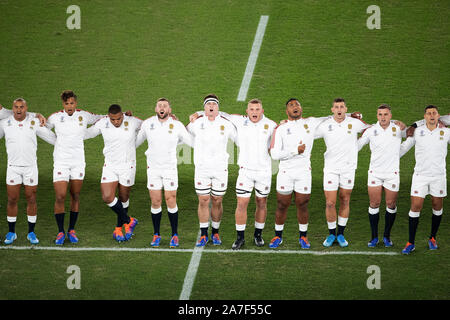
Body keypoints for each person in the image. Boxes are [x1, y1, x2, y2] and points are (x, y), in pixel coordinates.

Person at [269, 98, 361, 249]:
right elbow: (274, 154)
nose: (295, 107)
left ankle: (303, 237)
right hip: (285, 172)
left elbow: (330, 117)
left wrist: (351, 115)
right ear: (287, 111)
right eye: (291, 105)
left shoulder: (311, 123)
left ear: (301, 108)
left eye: (297, 104)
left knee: (303, 204)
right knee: (281, 205)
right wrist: (295, 151)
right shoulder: (281, 128)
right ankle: (278, 236)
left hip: (304, 172)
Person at [190, 98, 277, 249]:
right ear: (247, 111)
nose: (254, 112)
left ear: (262, 111)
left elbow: (279, 138)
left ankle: (258, 235)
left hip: (264, 171)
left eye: (257, 109)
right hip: (245, 171)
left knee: (262, 203)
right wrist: (198, 113)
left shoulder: (272, 125)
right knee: (241, 203)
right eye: (251, 109)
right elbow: (219, 113)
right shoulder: (238, 120)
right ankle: (240, 238)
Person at [47, 90, 104, 245]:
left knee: (76, 195)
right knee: (60, 196)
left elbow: (102, 118)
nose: (69, 106)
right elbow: (43, 126)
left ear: (76, 103)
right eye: (67, 103)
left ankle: (71, 230)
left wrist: (124, 114)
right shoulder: (55, 117)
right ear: (63, 104)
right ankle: (60, 231)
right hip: (61, 161)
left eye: (72, 103)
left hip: (78, 161)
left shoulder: (84, 115)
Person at [136, 98, 192, 248]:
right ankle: (156, 234)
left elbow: (191, 142)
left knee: (170, 200)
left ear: (169, 109)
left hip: (170, 168)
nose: (162, 108)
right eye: (159, 105)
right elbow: (136, 142)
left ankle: (174, 235)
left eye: (165, 106)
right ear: (156, 109)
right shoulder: (148, 124)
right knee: (155, 202)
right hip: (153, 169)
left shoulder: (177, 125)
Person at [315, 98, 371, 248]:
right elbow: (308, 134)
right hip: (331, 169)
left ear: (346, 109)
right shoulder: (325, 125)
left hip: (348, 168)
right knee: (330, 202)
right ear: (332, 110)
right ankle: (331, 233)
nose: (339, 109)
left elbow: (371, 130)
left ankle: (340, 234)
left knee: (345, 200)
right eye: (336, 107)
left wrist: (357, 146)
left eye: (341, 107)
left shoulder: (355, 123)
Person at [0, 98, 56, 244]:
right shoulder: (5, 123)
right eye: (16, 107)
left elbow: (51, 137)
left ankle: (31, 232)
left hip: (31, 168)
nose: (19, 110)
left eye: (21, 107)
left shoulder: (34, 122)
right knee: (12, 199)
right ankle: (12, 232)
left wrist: (65, 144)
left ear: (26, 108)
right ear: (12, 108)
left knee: (31, 199)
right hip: (13, 168)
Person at [84, 104, 142, 242]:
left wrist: (170, 119)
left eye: (118, 119)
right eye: (113, 120)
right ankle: (129, 221)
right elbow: (87, 133)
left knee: (123, 198)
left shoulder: (132, 121)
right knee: (107, 197)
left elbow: (149, 126)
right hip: (109, 165)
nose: (116, 122)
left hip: (128, 165)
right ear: (108, 117)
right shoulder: (103, 123)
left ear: (122, 115)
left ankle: (119, 228)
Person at [187, 94, 237, 247]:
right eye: (208, 104)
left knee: (217, 200)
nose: (211, 106)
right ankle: (203, 234)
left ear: (218, 107)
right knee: (203, 200)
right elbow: (183, 135)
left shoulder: (226, 124)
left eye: (213, 104)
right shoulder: (196, 123)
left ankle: (215, 232)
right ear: (204, 108)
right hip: (202, 169)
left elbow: (240, 140)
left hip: (220, 169)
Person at [399, 105, 449, 254]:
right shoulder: (417, 132)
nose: (431, 115)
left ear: (438, 116)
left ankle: (432, 238)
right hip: (420, 176)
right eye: (429, 113)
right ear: (424, 117)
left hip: (439, 176)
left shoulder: (446, 132)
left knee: (437, 206)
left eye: (434, 113)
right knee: (415, 206)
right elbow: (403, 148)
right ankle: (410, 242)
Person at [357, 104, 406, 248]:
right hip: (375, 173)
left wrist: (405, 127)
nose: (383, 117)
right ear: (377, 116)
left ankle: (386, 236)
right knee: (374, 204)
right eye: (380, 114)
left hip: (392, 174)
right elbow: (357, 146)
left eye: (385, 114)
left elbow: (411, 135)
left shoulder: (398, 129)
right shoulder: (371, 130)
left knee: (391, 204)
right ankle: (373, 237)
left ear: (390, 115)